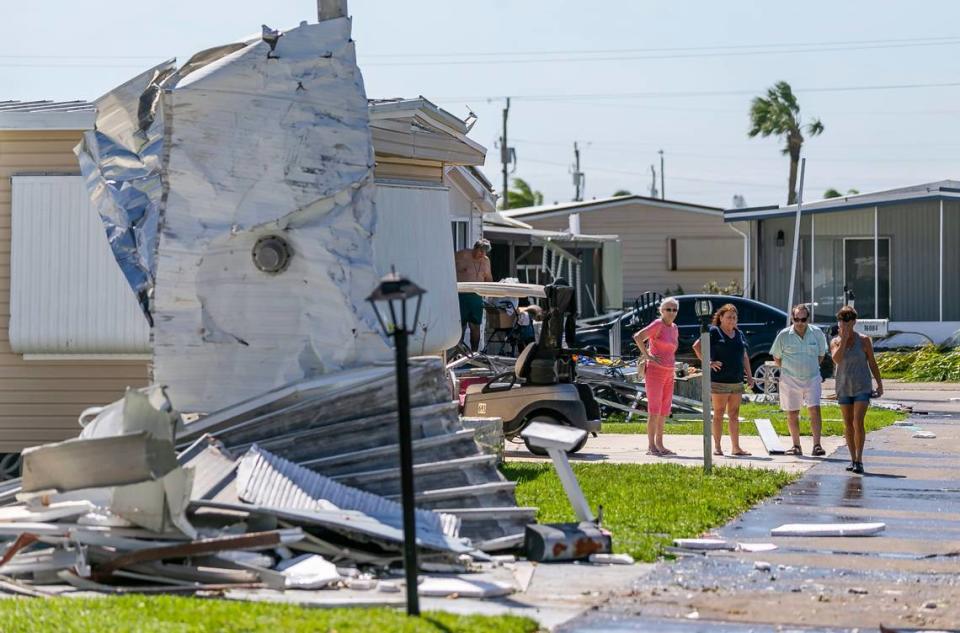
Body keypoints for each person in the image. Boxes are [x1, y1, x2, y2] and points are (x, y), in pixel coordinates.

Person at [693, 303, 755, 457]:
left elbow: (744, 356)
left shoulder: (739, 334)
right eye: (728, 317)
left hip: (736, 380)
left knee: (734, 414)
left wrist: (750, 375)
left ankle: (736, 447)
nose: (731, 320)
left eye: (734, 318)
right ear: (720, 318)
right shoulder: (714, 331)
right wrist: (707, 362)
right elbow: (697, 346)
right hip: (719, 380)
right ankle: (717, 447)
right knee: (719, 413)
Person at [769, 304, 828, 456]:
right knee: (792, 412)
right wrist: (789, 370)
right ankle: (796, 445)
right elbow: (776, 356)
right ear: (792, 319)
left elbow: (821, 355)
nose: (800, 323)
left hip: (813, 377)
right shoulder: (783, 335)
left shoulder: (817, 333)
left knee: (815, 409)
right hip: (790, 379)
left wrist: (810, 367)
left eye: (803, 319)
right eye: (796, 319)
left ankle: (817, 445)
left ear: (808, 319)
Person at [830, 306, 883, 475]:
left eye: (847, 319)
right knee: (848, 423)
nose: (843, 323)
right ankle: (852, 458)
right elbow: (837, 360)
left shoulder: (864, 340)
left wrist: (880, 384)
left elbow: (872, 363)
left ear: (854, 322)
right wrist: (844, 339)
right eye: (841, 319)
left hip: (862, 385)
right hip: (844, 386)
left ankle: (859, 459)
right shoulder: (835, 341)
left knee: (857, 421)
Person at [633, 297, 680, 456]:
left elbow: (671, 349)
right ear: (661, 311)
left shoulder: (674, 328)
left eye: (674, 309)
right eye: (668, 309)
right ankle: (651, 446)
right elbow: (638, 336)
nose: (671, 312)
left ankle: (660, 444)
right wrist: (647, 355)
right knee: (654, 410)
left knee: (664, 410)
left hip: (669, 372)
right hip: (655, 372)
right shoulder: (658, 324)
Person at [454, 239, 493, 352]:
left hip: (476, 297)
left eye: (485, 252)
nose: (482, 255)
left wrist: (491, 295)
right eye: (481, 251)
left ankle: (475, 353)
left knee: (475, 327)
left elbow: (489, 278)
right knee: (460, 326)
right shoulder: (462, 255)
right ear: (475, 248)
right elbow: (447, 267)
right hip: (461, 295)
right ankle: (457, 354)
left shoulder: (486, 261)